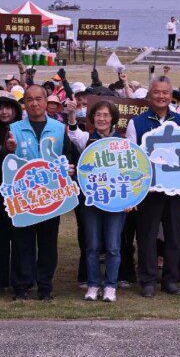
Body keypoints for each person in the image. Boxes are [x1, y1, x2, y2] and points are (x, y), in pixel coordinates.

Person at [9, 85, 80, 301]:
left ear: (46, 101)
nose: (34, 103)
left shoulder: (58, 128)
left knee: (48, 243)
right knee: (22, 243)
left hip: (51, 196)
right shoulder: (14, 128)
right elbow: (5, 160)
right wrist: (7, 149)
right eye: (29, 99)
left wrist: (69, 167)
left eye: (38, 99)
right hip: (23, 196)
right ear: (24, 103)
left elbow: (69, 155)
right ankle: (22, 285)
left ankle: (45, 286)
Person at [124, 78, 180, 297]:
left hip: (174, 189)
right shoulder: (137, 122)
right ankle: (148, 280)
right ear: (149, 95)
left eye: (165, 92)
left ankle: (170, 279)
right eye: (157, 92)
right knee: (147, 235)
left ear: (171, 95)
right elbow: (132, 157)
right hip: (149, 190)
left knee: (174, 235)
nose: (161, 96)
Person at [68, 99, 127, 301]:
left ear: (113, 118)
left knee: (113, 246)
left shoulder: (123, 142)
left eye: (106, 115)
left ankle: (111, 285)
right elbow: (73, 133)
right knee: (92, 245)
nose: (102, 119)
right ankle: (93, 284)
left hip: (116, 202)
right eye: (98, 115)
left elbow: (133, 170)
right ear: (92, 118)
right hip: (91, 201)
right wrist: (72, 114)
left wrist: (131, 199)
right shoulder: (87, 138)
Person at [0, 93, 22, 292]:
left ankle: (19, 278)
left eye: (8, 107)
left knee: (19, 236)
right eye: (0, 108)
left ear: (15, 110)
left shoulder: (22, 130)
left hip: (18, 190)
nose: (4, 111)